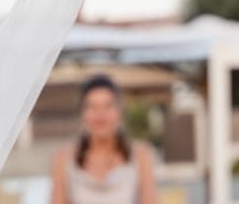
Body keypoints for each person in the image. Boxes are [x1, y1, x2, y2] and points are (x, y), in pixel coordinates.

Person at [50, 74, 158, 204]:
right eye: (92, 107)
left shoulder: (141, 155)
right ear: (82, 113)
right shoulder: (63, 158)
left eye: (107, 106)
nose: (100, 114)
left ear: (119, 111)